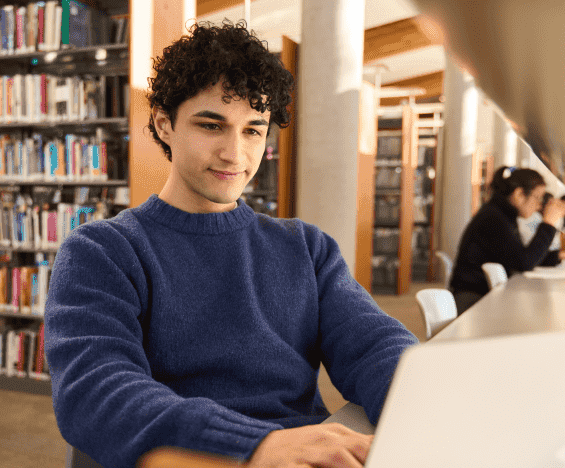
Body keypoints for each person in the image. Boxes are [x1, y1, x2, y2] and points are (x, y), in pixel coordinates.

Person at [44, 20, 417, 468]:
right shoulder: (102, 251)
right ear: (164, 124)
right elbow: (96, 391)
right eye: (211, 125)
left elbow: (374, 344)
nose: (235, 154)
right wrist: (256, 445)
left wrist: (425, 402)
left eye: (253, 130)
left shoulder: (305, 247)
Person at [449, 166, 565, 314]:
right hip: (472, 300)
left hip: (482, 295)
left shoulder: (502, 215)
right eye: (537, 197)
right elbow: (524, 262)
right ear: (519, 194)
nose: (539, 205)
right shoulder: (493, 219)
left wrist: (556, 256)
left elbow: (523, 257)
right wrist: (548, 224)